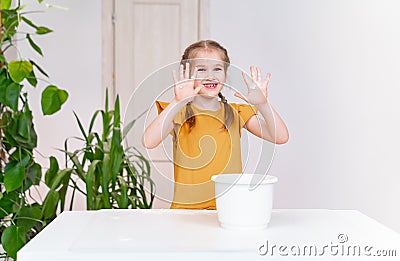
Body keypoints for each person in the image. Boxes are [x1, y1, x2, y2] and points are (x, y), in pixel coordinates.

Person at [142, 40, 289, 210]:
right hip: (186, 213)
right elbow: (149, 141)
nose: (210, 76)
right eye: (201, 69)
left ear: (226, 74)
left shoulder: (237, 113)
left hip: (230, 209)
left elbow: (281, 136)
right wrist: (178, 101)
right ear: (188, 75)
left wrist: (263, 104)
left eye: (217, 69)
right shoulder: (177, 113)